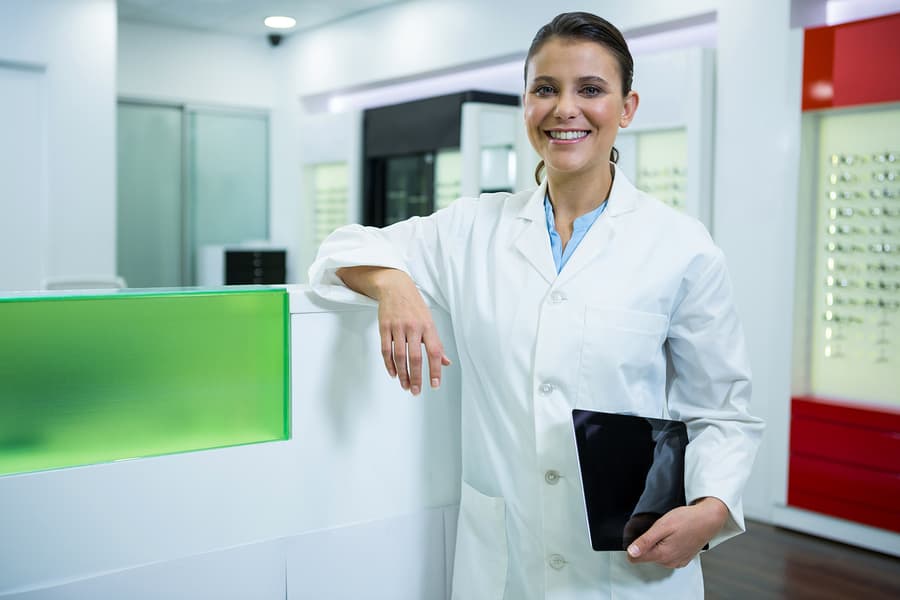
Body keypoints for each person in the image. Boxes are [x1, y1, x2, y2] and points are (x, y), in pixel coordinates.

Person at [309, 11, 764, 599]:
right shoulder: (472, 228)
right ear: (525, 104)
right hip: (506, 560)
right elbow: (341, 247)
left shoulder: (680, 246)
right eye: (544, 89)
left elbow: (723, 410)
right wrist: (393, 281)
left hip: (629, 564)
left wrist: (713, 506)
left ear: (626, 109)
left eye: (591, 90)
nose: (564, 108)